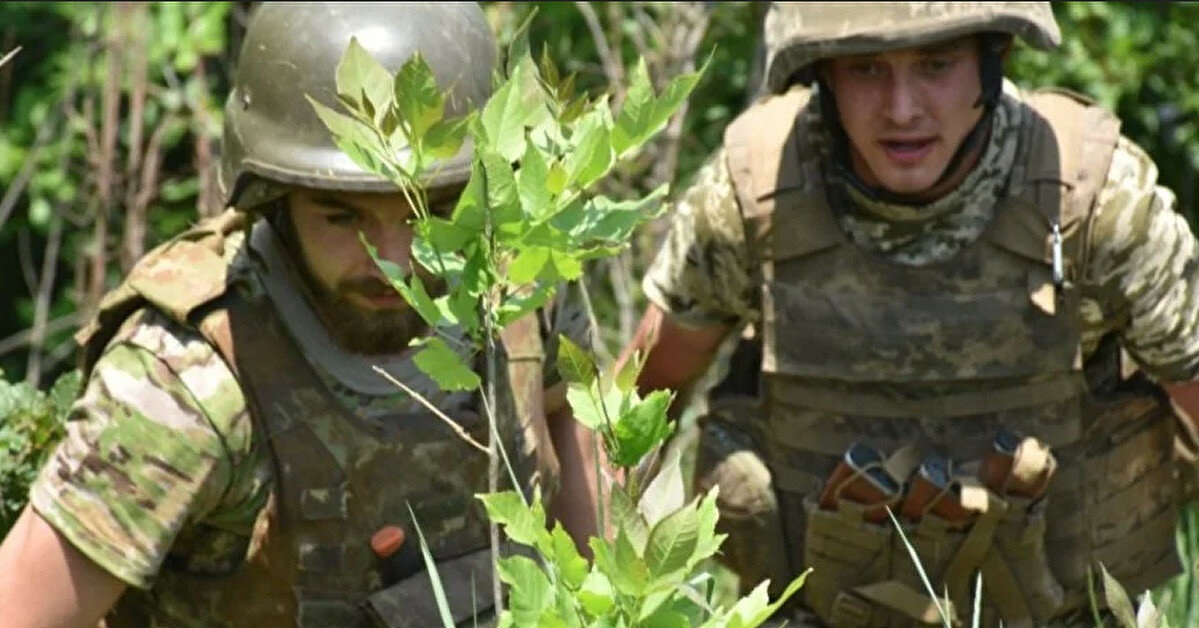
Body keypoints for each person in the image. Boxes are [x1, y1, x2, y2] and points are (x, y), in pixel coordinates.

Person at [0, 3, 599, 627]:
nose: (393, 261)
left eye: (434, 212)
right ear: (274, 194)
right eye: (343, 217)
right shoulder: (189, 380)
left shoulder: (522, 287)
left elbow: (584, 513)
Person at [617, 2, 1199, 626]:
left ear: (991, 58)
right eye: (866, 69)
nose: (902, 109)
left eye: (936, 65)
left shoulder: (1094, 198)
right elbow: (628, 420)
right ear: (824, 75)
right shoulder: (753, 197)